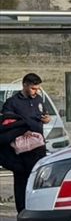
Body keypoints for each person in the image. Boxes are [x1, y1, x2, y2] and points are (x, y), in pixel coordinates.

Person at [0, 73, 53, 213]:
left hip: (38, 146)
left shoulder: (38, 99)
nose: (36, 91)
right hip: (21, 150)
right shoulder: (12, 102)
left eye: (38, 88)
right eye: (33, 88)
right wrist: (22, 130)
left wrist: (47, 119)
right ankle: (22, 210)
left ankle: (37, 208)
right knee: (22, 180)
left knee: (38, 178)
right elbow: (7, 123)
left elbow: (44, 113)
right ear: (25, 85)